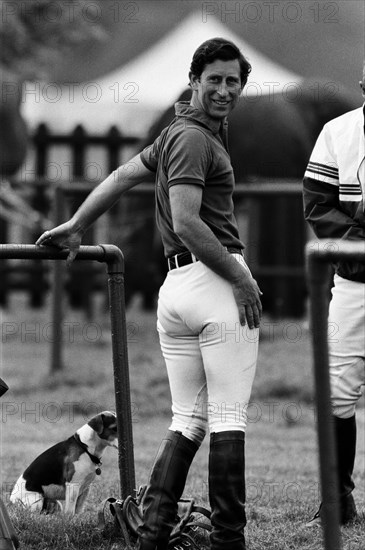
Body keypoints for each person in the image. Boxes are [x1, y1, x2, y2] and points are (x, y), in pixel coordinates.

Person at [36, 37, 262, 550]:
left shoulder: (175, 134)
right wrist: (242, 278)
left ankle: (152, 535)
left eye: (234, 81)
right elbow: (186, 221)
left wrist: (76, 224)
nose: (225, 90)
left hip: (176, 291)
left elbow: (120, 175)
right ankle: (230, 541)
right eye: (215, 80)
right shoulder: (195, 140)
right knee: (227, 417)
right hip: (214, 280)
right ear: (193, 81)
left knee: (189, 419)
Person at [303, 62, 365, 526]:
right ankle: (338, 500)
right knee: (338, 392)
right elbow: (317, 202)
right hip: (354, 281)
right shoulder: (339, 131)